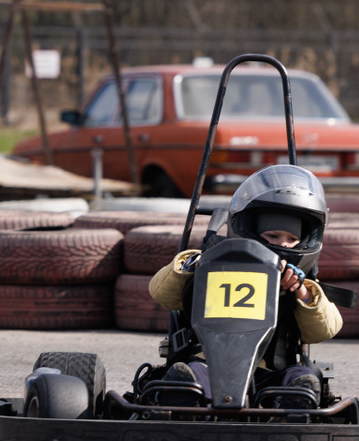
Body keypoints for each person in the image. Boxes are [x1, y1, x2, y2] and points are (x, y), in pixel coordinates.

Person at [145, 165, 342, 408]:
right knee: (191, 375)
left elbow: (324, 330)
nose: (284, 245)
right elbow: (162, 294)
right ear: (248, 229)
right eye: (273, 236)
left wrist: (301, 293)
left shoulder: (300, 284)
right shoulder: (210, 262)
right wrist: (193, 265)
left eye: (292, 239)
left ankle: (294, 404)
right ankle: (185, 401)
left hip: (269, 373)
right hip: (207, 366)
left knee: (300, 377)